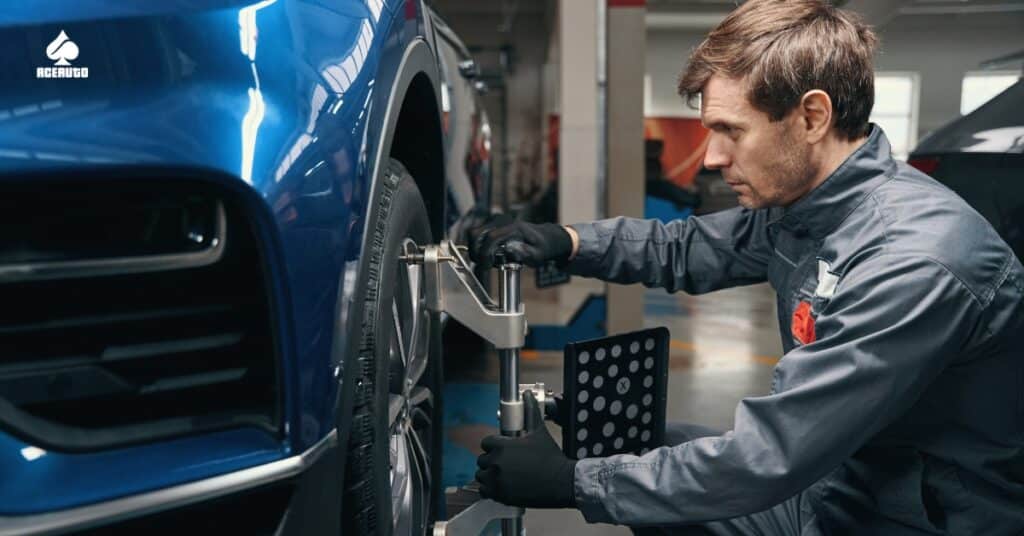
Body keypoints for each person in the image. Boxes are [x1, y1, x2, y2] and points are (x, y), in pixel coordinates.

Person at [467, 1, 1024, 534]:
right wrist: (564, 241)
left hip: (924, 520)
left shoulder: (911, 261)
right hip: (848, 482)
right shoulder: (807, 208)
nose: (710, 157)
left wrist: (572, 483)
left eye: (731, 130)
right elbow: (683, 249)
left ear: (812, 116)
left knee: (631, 476)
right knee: (633, 451)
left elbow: (772, 455)